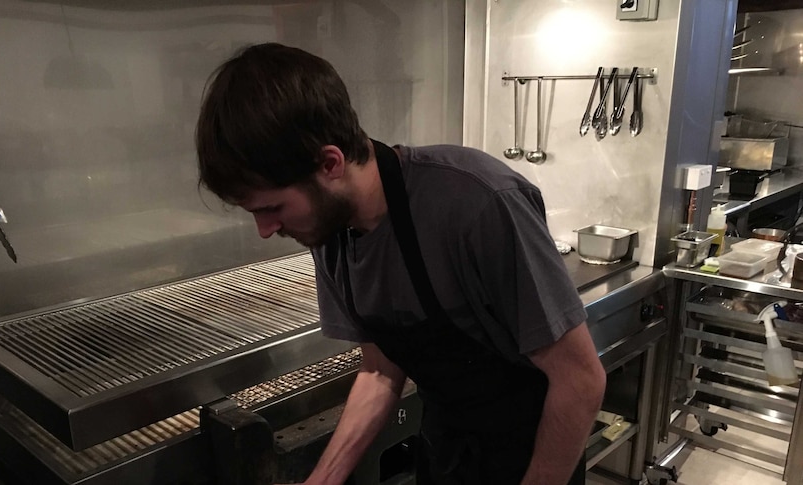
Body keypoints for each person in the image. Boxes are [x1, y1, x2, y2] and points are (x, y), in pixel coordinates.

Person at [196, 42, 606, 485]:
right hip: (446, 452)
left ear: (330, 163)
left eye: (271, 207)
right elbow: (379, 369)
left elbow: (579, 380)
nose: (264, 228)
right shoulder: (330, 232)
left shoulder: (476, 204)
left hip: (535, 454)